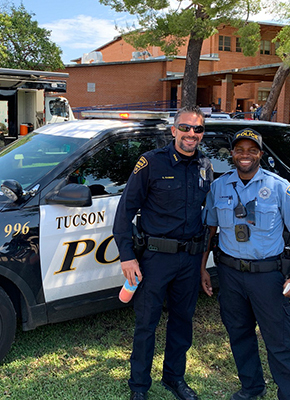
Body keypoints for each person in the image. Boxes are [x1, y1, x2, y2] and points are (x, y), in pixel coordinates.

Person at [201, 128, 290, 400]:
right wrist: (202, 267)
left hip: (267, 277)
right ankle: (251, 388)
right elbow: (210, 230)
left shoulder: (279, 186)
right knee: (239, 335)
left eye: (251, 150)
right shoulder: (219, 186)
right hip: (230, 275)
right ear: (232, 154)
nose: (245, 155)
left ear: (260, 154)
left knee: (280, 342)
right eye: (240, 150)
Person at [113, 106, 213, 400]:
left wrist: (203, 262)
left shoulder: (204, 166)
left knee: (182, 322)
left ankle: (174, 378)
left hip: (190, 258)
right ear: (173, 130)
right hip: (155, 258)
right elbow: (125, 212)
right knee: (146, 324)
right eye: (185, 128)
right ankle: (139, 387)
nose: (191, 134)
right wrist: (127, 256)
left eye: (197, 129)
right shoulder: (151, 163)